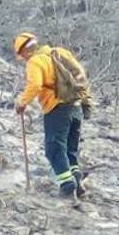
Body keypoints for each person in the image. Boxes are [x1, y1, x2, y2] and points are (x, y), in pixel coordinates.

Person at [12, 32, 93, 198]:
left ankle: (67, 186)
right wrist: (86, 103)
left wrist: (22, 102)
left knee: (54, 149)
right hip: (75, 106)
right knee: (70, 149)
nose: (24, 60)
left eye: (23, 56)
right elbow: (80, 77)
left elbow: (35, 85)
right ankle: (77, 180)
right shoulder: (61, 52)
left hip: (57, 109)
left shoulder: (35, 61)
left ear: (25, 52)